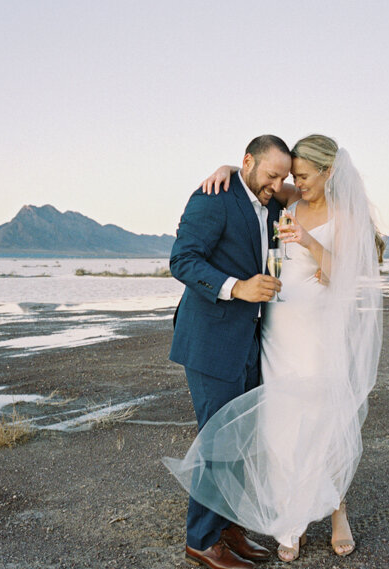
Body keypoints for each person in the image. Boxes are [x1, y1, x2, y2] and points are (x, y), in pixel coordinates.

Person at [164, 135, 383, 563]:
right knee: (247, 434)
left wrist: (306, 240)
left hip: (294, 333)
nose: (287, 183)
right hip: (248, 335)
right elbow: (186, 255)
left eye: (295, 176)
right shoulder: (238, 195)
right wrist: (228, 169)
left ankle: (257, 525)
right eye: (282, 176)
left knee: (294, 428)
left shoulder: (301, 206)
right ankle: (230, 535)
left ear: (326, 173)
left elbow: (347, 270)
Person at [168, 135, 290, 569]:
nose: (276, 184)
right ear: (247, 162)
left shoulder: (273, 203)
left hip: (251, 340)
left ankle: (227, 526)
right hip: (211, 339)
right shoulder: (212, 197)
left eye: (282, 177)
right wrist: (237, 288)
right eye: (270, 174)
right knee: (218, 442)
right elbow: (182, 260)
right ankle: (201, 540)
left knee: (240, 439)